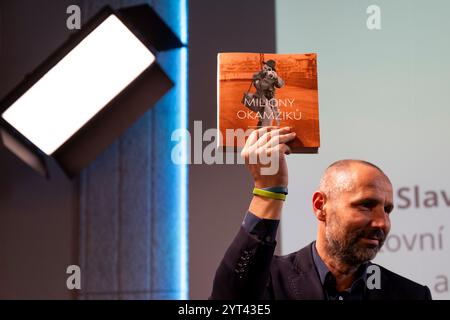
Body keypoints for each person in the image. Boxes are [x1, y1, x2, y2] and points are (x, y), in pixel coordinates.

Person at [210, 126, 432, 300]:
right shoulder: (268, 281)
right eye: (365, 205)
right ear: (320, 206)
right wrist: (269, 191)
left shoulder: (411, 295)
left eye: (387, 210)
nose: (381, 223)